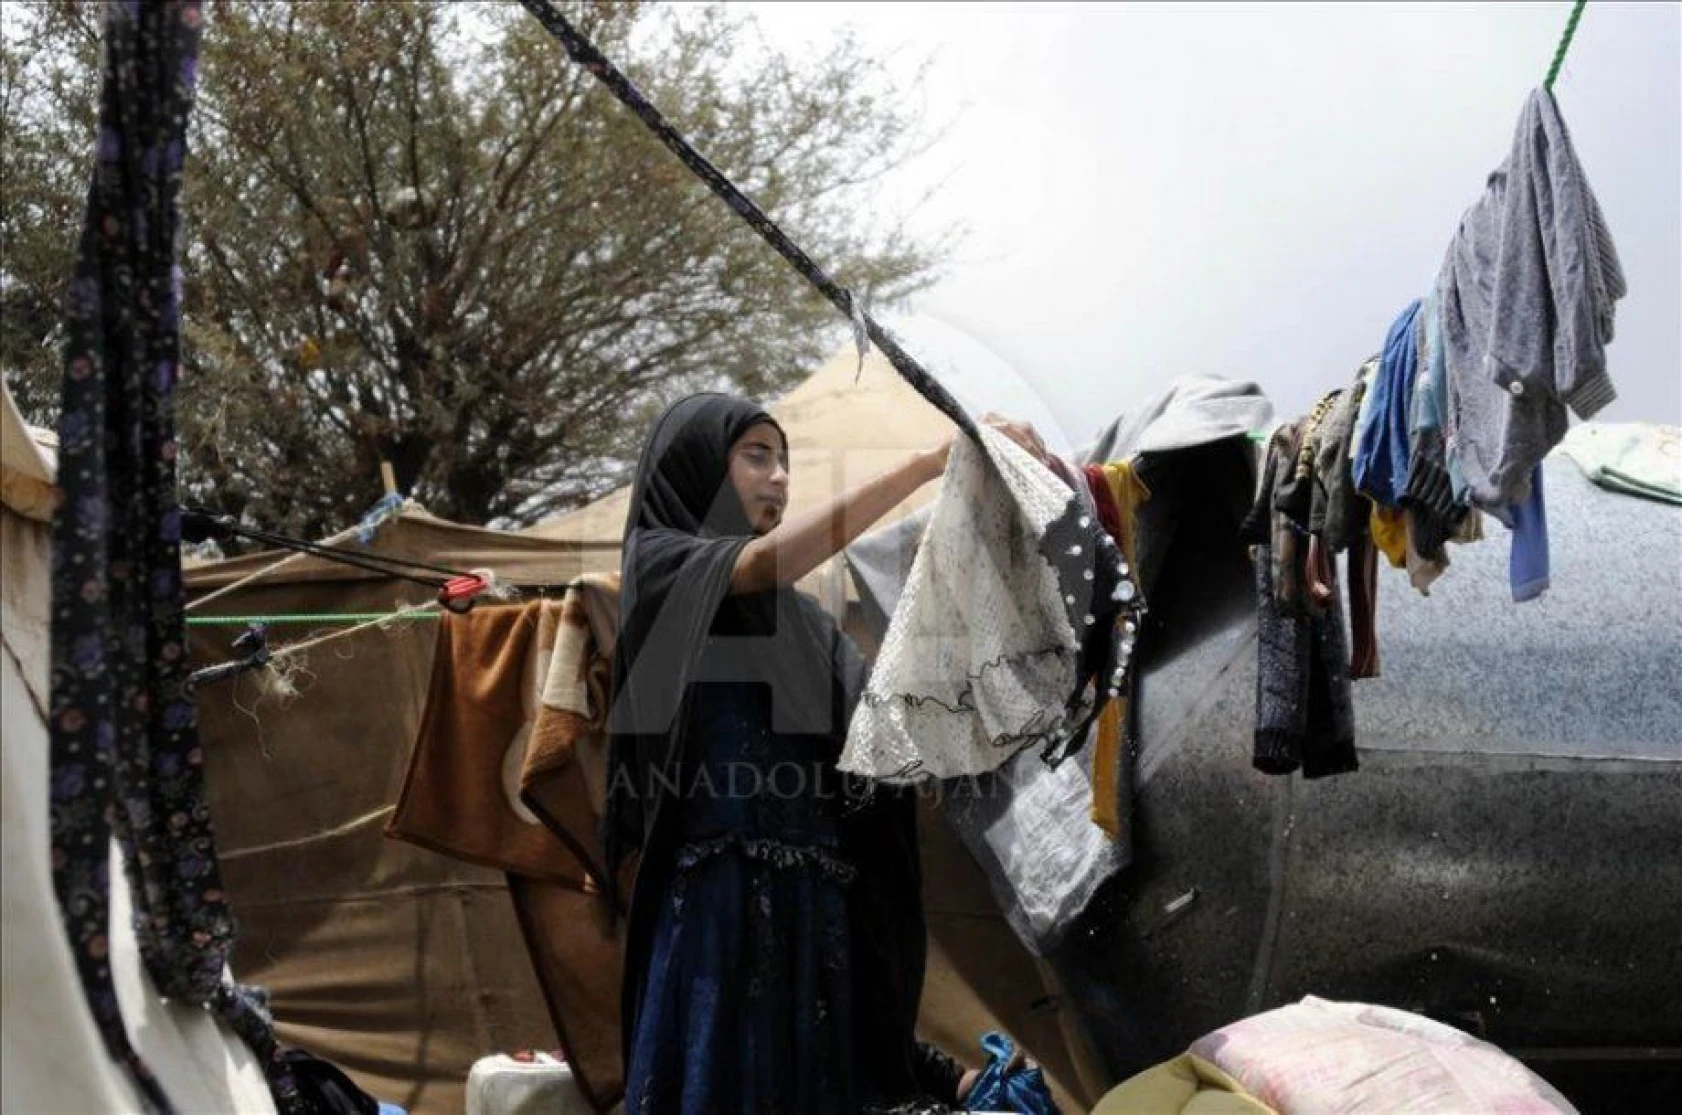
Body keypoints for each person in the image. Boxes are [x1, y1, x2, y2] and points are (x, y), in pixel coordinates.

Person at [605, 392, 1045, 1114]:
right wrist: (930, 462)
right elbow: (759, 566)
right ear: (692, 466)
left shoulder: (805, 631)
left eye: (785, 460)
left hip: (824, 934)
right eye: (756, 454)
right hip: (724, 932)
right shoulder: (658, 570)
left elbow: (893, 731)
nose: (779, 476)